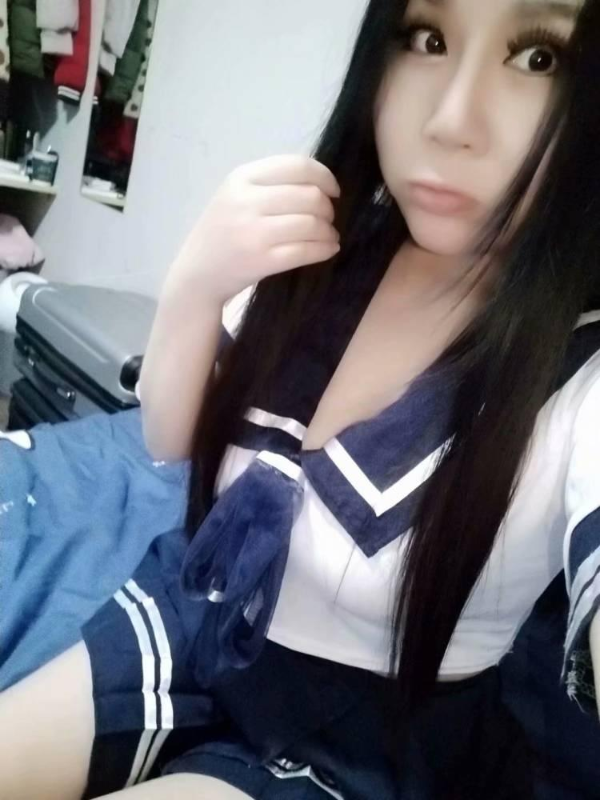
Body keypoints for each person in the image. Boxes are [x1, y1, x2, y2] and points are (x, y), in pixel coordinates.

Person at [1, 0, 600, 797]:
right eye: (427, 38)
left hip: (357, 737)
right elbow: (169, 441)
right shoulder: (323, 245)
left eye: (538, 57)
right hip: (198, 610)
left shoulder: (581, 367)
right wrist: (196, 284)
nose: (451, 121)